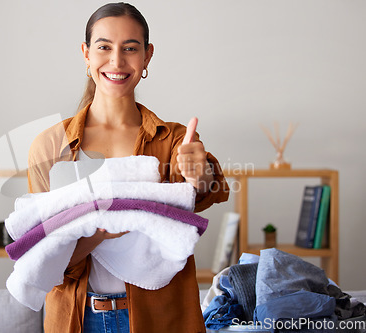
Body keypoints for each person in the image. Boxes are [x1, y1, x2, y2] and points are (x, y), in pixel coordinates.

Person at [27, 3, 229, 332]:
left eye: (130, 48)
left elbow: (208, 192)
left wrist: (200, 175)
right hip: (78, 319)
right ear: (86, 53)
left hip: (158, 318)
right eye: (104, 47)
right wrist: (103, 230)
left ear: (147, 56)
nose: (117, 61)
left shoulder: (174, 140)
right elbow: (44, 256)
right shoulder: (51, 146)